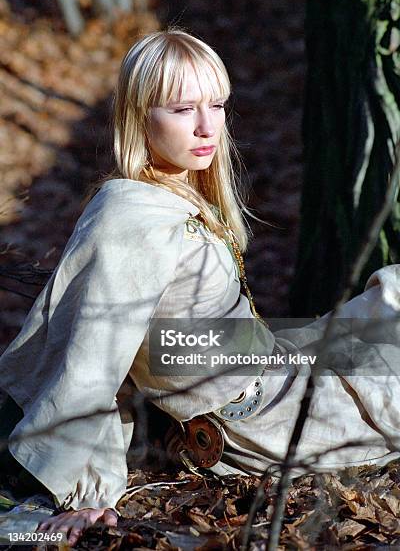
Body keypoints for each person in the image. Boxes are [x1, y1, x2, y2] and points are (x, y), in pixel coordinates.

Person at [1, 28, 400, 547]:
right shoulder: (130, 215)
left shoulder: (169, 189)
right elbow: (95, 354)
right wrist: (85, 490)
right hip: (263, 417)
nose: (208, 126)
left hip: (275, 358)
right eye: (183, 109)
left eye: (216, 104)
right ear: (140, 115)